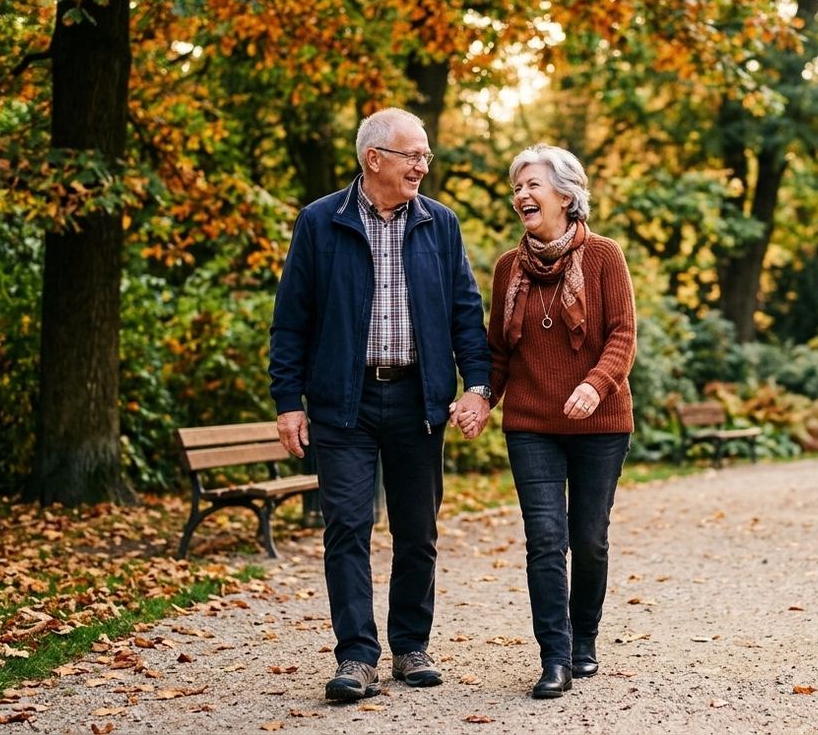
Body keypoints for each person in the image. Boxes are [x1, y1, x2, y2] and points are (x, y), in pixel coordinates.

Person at [268, 108, 493, 701]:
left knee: (418, 530)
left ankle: (411, 646)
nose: (422, 166)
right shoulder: (321, 221)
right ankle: (356, 656)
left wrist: (478, 385)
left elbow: (465, 312)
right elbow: (291, 320)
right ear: (374, 159)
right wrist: (289, 400)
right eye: (412, 155)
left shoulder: (440, 224)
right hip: (344, 401)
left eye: (425, 156)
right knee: (346, 525)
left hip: (419, 399)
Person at [479, 144, 636, 699]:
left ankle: (584, 637)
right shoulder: (508, 268)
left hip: (600, 423)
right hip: (531, 424)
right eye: (517, 187)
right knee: (545, 540)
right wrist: (481, 398)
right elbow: (498, 351)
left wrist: (595, 385)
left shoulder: (604, 256)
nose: (521, 194)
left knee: (588, 539)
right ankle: (555, 656)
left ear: (566, 196)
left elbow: (622, 334)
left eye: (533, 185)